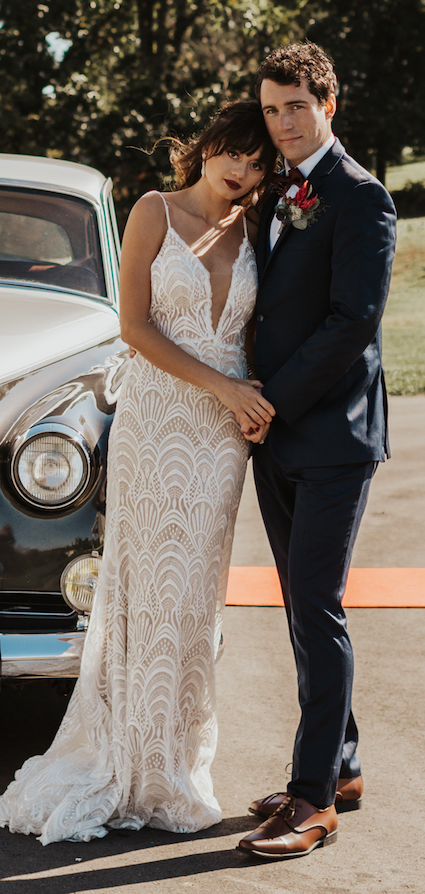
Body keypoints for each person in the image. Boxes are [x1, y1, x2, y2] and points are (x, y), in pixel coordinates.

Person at [0, 100, 276, 844]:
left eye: (255, 161)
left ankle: (173, 765)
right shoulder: (153, 209)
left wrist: (247, 399)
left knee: (193, 601)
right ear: (205, 145)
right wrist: (223, 388)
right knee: (147, 585)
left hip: (221, 438)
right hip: (159, 422)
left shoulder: (257, 226)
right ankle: (123, 761)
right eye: (231, 152)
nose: (240, 170)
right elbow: (134, 327)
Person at [237, 42, 396, 860]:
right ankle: (342, 765)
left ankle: (310, 802)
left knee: (317, 603)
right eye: (271, 109)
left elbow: (352, 323)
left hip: (333, 435)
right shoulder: (276, 192)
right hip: (278, 437)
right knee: (302, 605)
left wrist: (272, 402)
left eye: (296, 106)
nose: (284, 123)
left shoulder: (361, 197)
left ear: (328, 105)